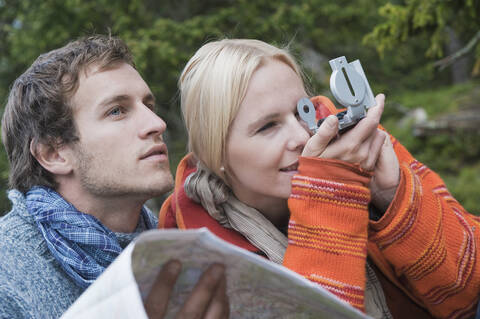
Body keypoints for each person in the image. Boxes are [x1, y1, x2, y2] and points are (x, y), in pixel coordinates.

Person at [159, 39, 480, 318]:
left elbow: (469, 292)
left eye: (302, 111)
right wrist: (330, 196)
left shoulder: (358, 148)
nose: (301, 136)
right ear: (217, 156)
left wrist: (393, 195)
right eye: (268, 126)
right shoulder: (192, 242)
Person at [0, 35, 229, 319]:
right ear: (53, 154)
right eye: (117, 111)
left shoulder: (180, 250)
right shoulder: (7, 278)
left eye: (149, 105)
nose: (156, 124)